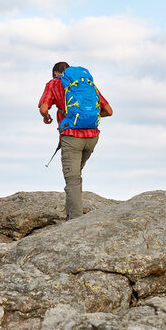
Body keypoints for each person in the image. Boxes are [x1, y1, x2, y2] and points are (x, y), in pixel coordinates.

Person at [38, 62, 113, 220]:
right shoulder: (86, 83)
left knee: (72, 180)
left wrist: (47, 118)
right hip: (92, 137)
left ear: (55, 73)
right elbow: (108, 111)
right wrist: (87, 119)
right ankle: (70, 215)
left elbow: (44, 109)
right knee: (75, 176)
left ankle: (75, 223)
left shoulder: (53, 83)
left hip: (72, 137)